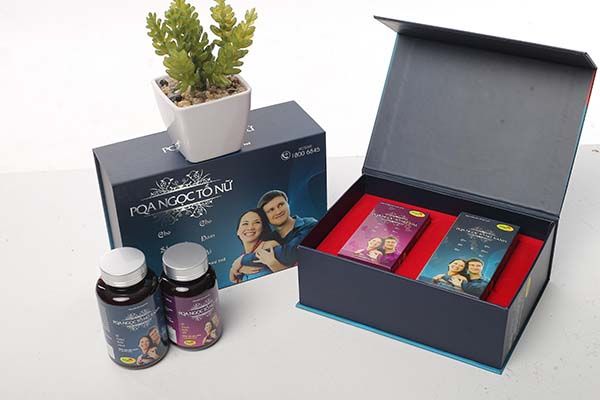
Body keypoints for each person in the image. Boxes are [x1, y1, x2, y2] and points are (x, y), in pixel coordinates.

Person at [238, 190, 317, 272]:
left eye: (281, 205)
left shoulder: (310, 224)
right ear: (265, 218)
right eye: (271, 210)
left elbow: (290, 253)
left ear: (288, 204)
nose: (278, 211)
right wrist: (242, 268)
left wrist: (242, 260)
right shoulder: (269, 238)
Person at [229, 208, 281, 283]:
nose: (250, 227)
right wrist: (235, 270)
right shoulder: (241, 262)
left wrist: (239, 264)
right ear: (237, 231)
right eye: (245, 223)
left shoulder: (270, 245)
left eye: (257, 222)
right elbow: (235, 280)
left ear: (262, 228)